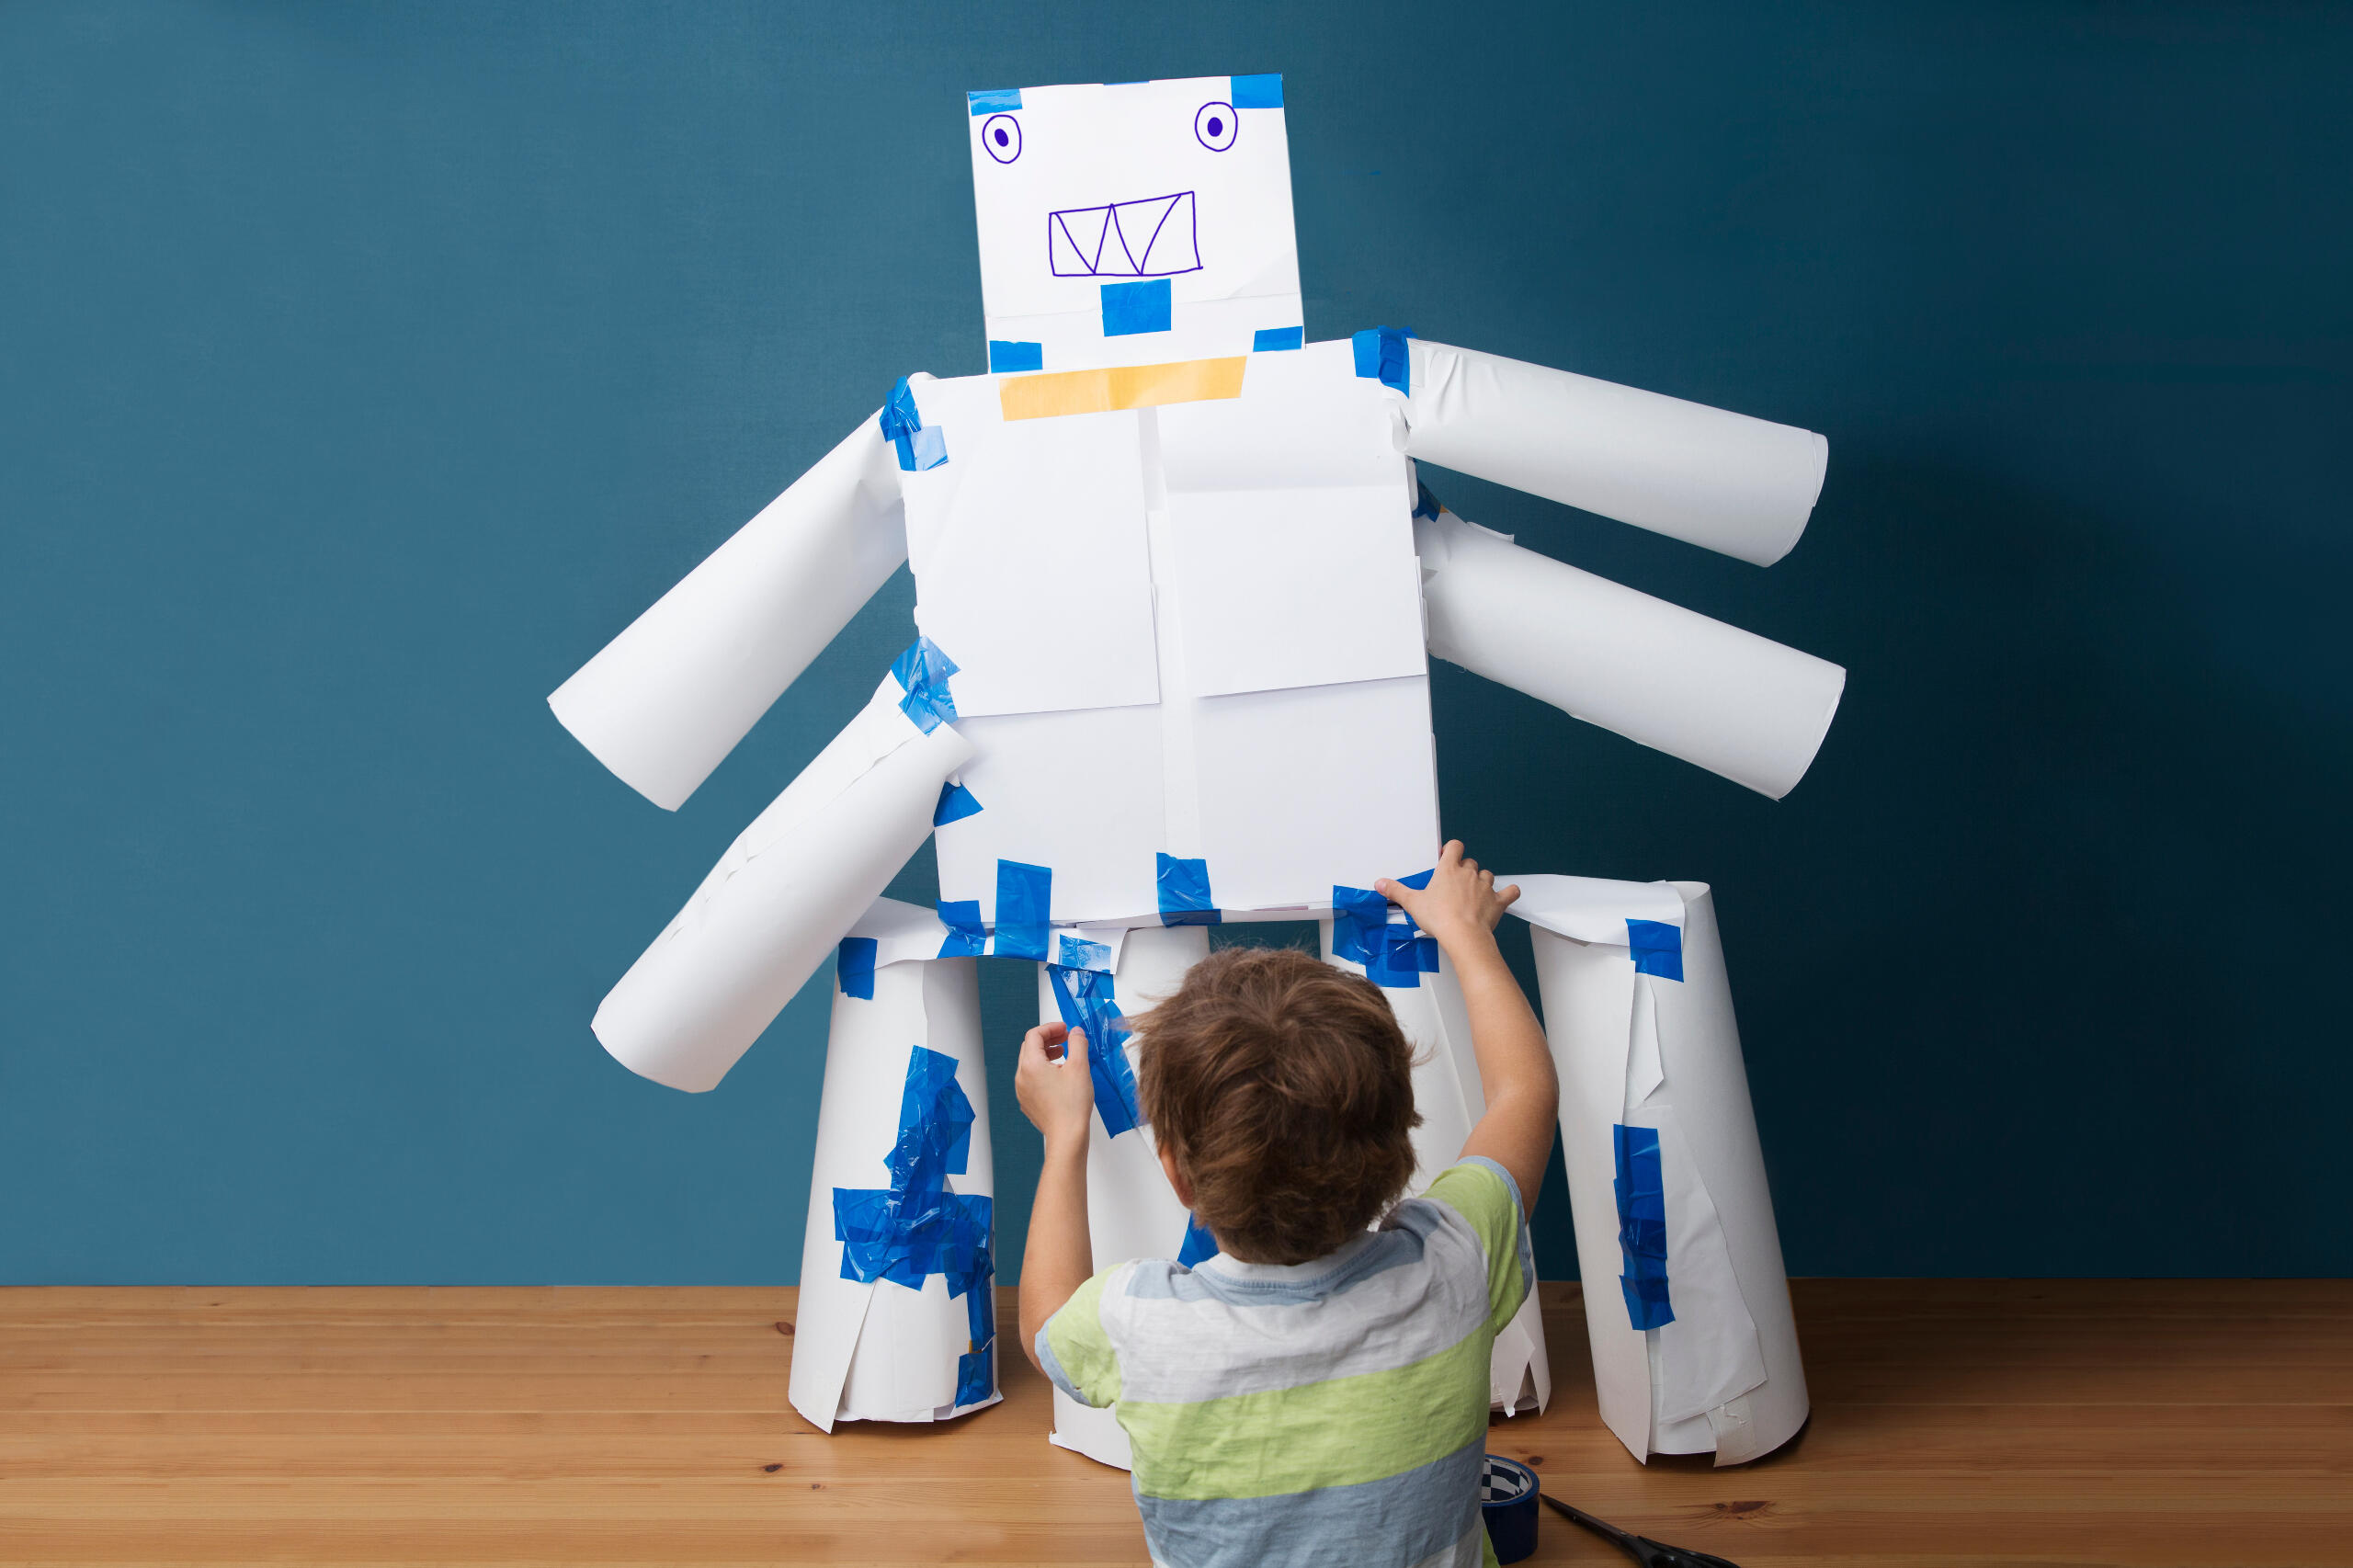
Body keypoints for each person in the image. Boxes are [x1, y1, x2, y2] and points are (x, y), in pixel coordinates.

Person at [1015, 841, 1558, 1568]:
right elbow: (1525, 1093)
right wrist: (1467, 933)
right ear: (1401, 1143)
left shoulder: (1143, 1325)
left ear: (1176, 1173)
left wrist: (1064, 1139)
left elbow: (1044, 1326)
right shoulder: (1456, 1262)